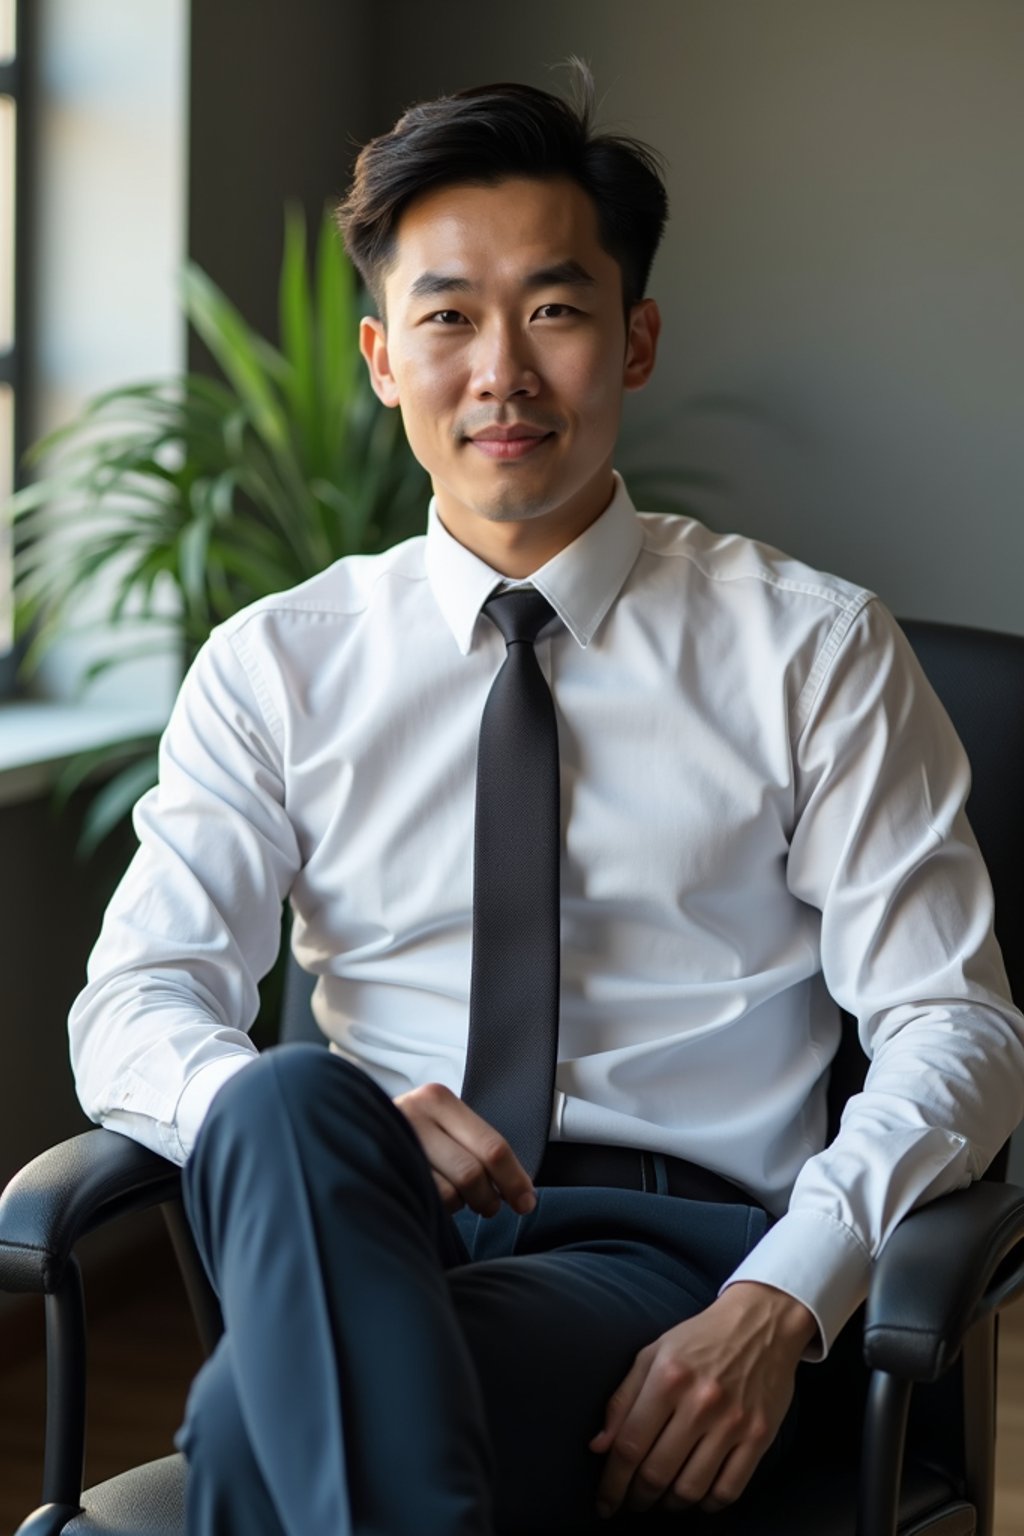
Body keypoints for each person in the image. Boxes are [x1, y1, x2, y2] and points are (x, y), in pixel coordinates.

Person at [68, 66, 1024, 1535]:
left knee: (254, 1428)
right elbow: (132, 1006)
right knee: (282, 1097)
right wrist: (373, 1131)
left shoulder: (811, 649)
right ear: (385, 359)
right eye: (448, 317)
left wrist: (781, 1297)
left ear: (633, 342)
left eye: (555, 311)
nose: (501, 371)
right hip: (361, 1226)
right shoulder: (276, 667)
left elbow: (954, 1027)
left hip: (675, 1270)